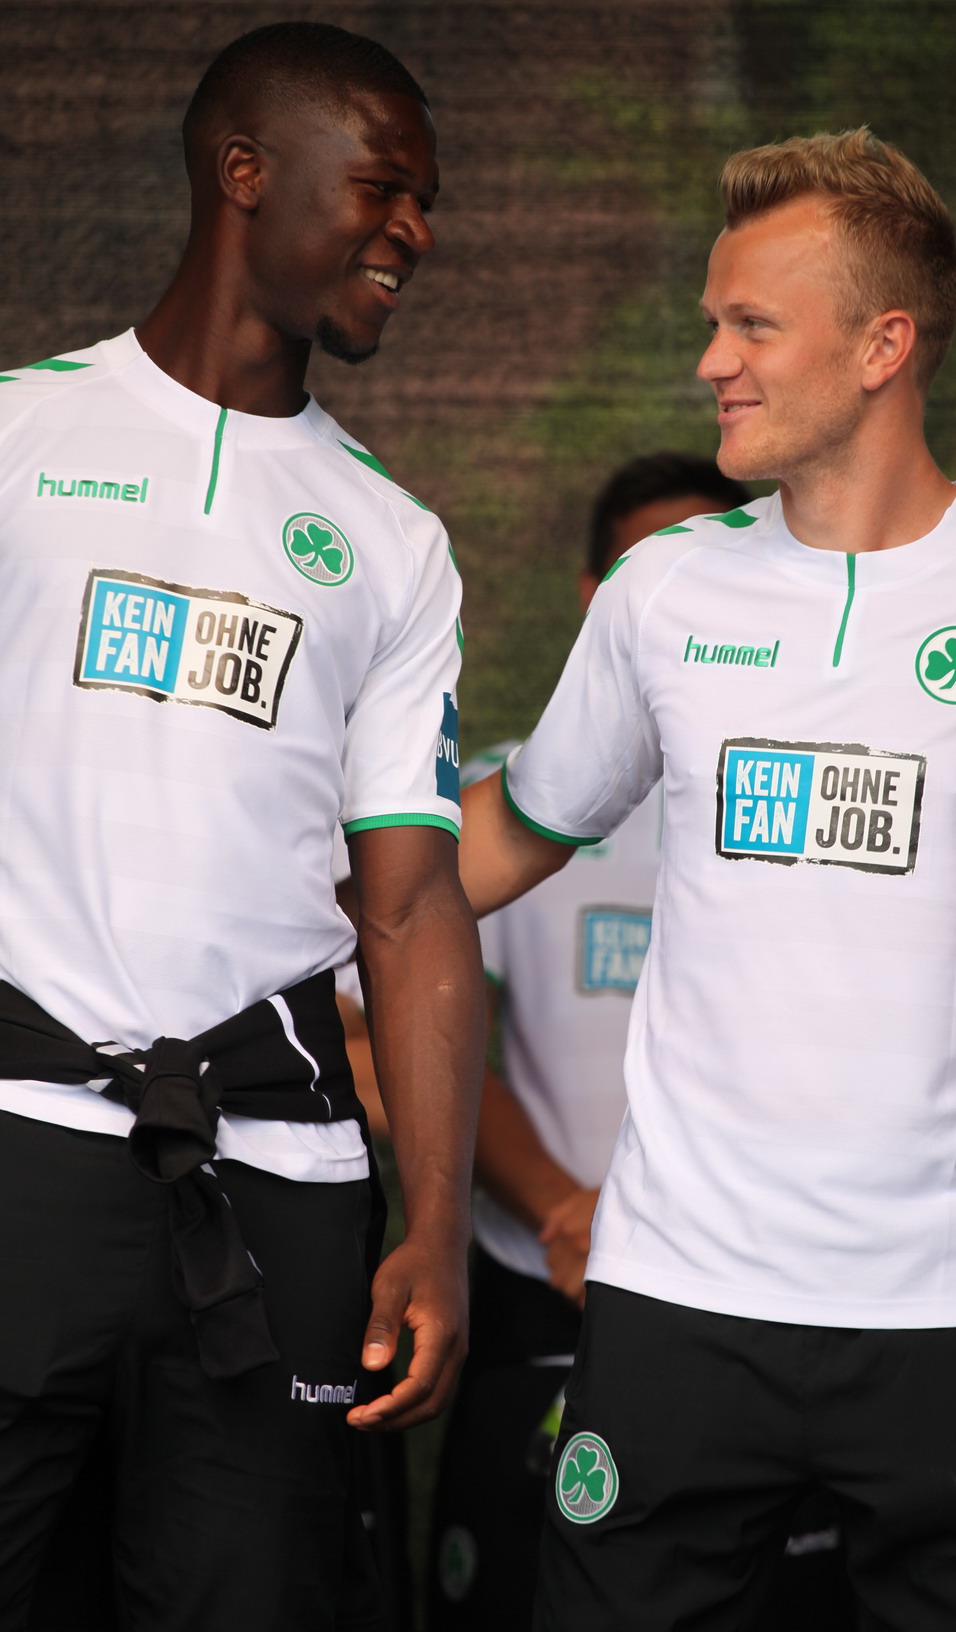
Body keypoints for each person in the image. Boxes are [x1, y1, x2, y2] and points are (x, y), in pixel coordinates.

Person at [459, 129, 956, 1630]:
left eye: (750, 325)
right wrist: (266, 876)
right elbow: (491, 849)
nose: (709, 362)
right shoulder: (663, 592)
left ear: (883, 345)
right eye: (710, 322)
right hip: (675, 1296)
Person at [0, 22, 483, 1632]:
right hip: (20, 1133)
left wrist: (434, 1225)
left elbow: (411, 908)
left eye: (427, 202)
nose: (414, 232)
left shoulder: (395, 541)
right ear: (246, 171)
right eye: (385, 188)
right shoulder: (17, 439)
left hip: (278, 1182)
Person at [427, 453, 751, 1630]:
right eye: (646, 572)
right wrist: (565, 1210)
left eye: (714, 575)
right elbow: (408, 1027)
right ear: (593, 598)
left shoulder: (798, 798)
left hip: (746, 1285)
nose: (679, 602)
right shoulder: (510, 793)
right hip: (540, 1280)